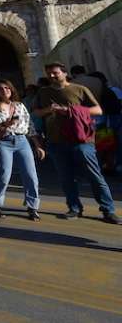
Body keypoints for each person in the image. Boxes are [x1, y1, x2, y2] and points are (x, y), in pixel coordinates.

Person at [34, 62, 119, 224]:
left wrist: (71, 111)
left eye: (55, 73)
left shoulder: (79, 89)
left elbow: (98, 110)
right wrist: (49, 110)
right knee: (66, 177)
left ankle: (108, 210)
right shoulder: (43, 92)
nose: (51, 76)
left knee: (94, 175)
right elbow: (37, 112)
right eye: (49, 73)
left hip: (82, 140)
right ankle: (74, 207)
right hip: (56, 141)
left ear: (65, 73)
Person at [0, 79, 43, 220]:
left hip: (22, 141)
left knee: (31, 174)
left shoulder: (20, 106)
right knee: (4, 174)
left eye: (7, 88)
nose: (4, 91)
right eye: (0, 89)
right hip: (4, 142)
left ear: (12, 90)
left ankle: (32, 207)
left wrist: (37, 145)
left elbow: (30, 126)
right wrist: (5, 124)